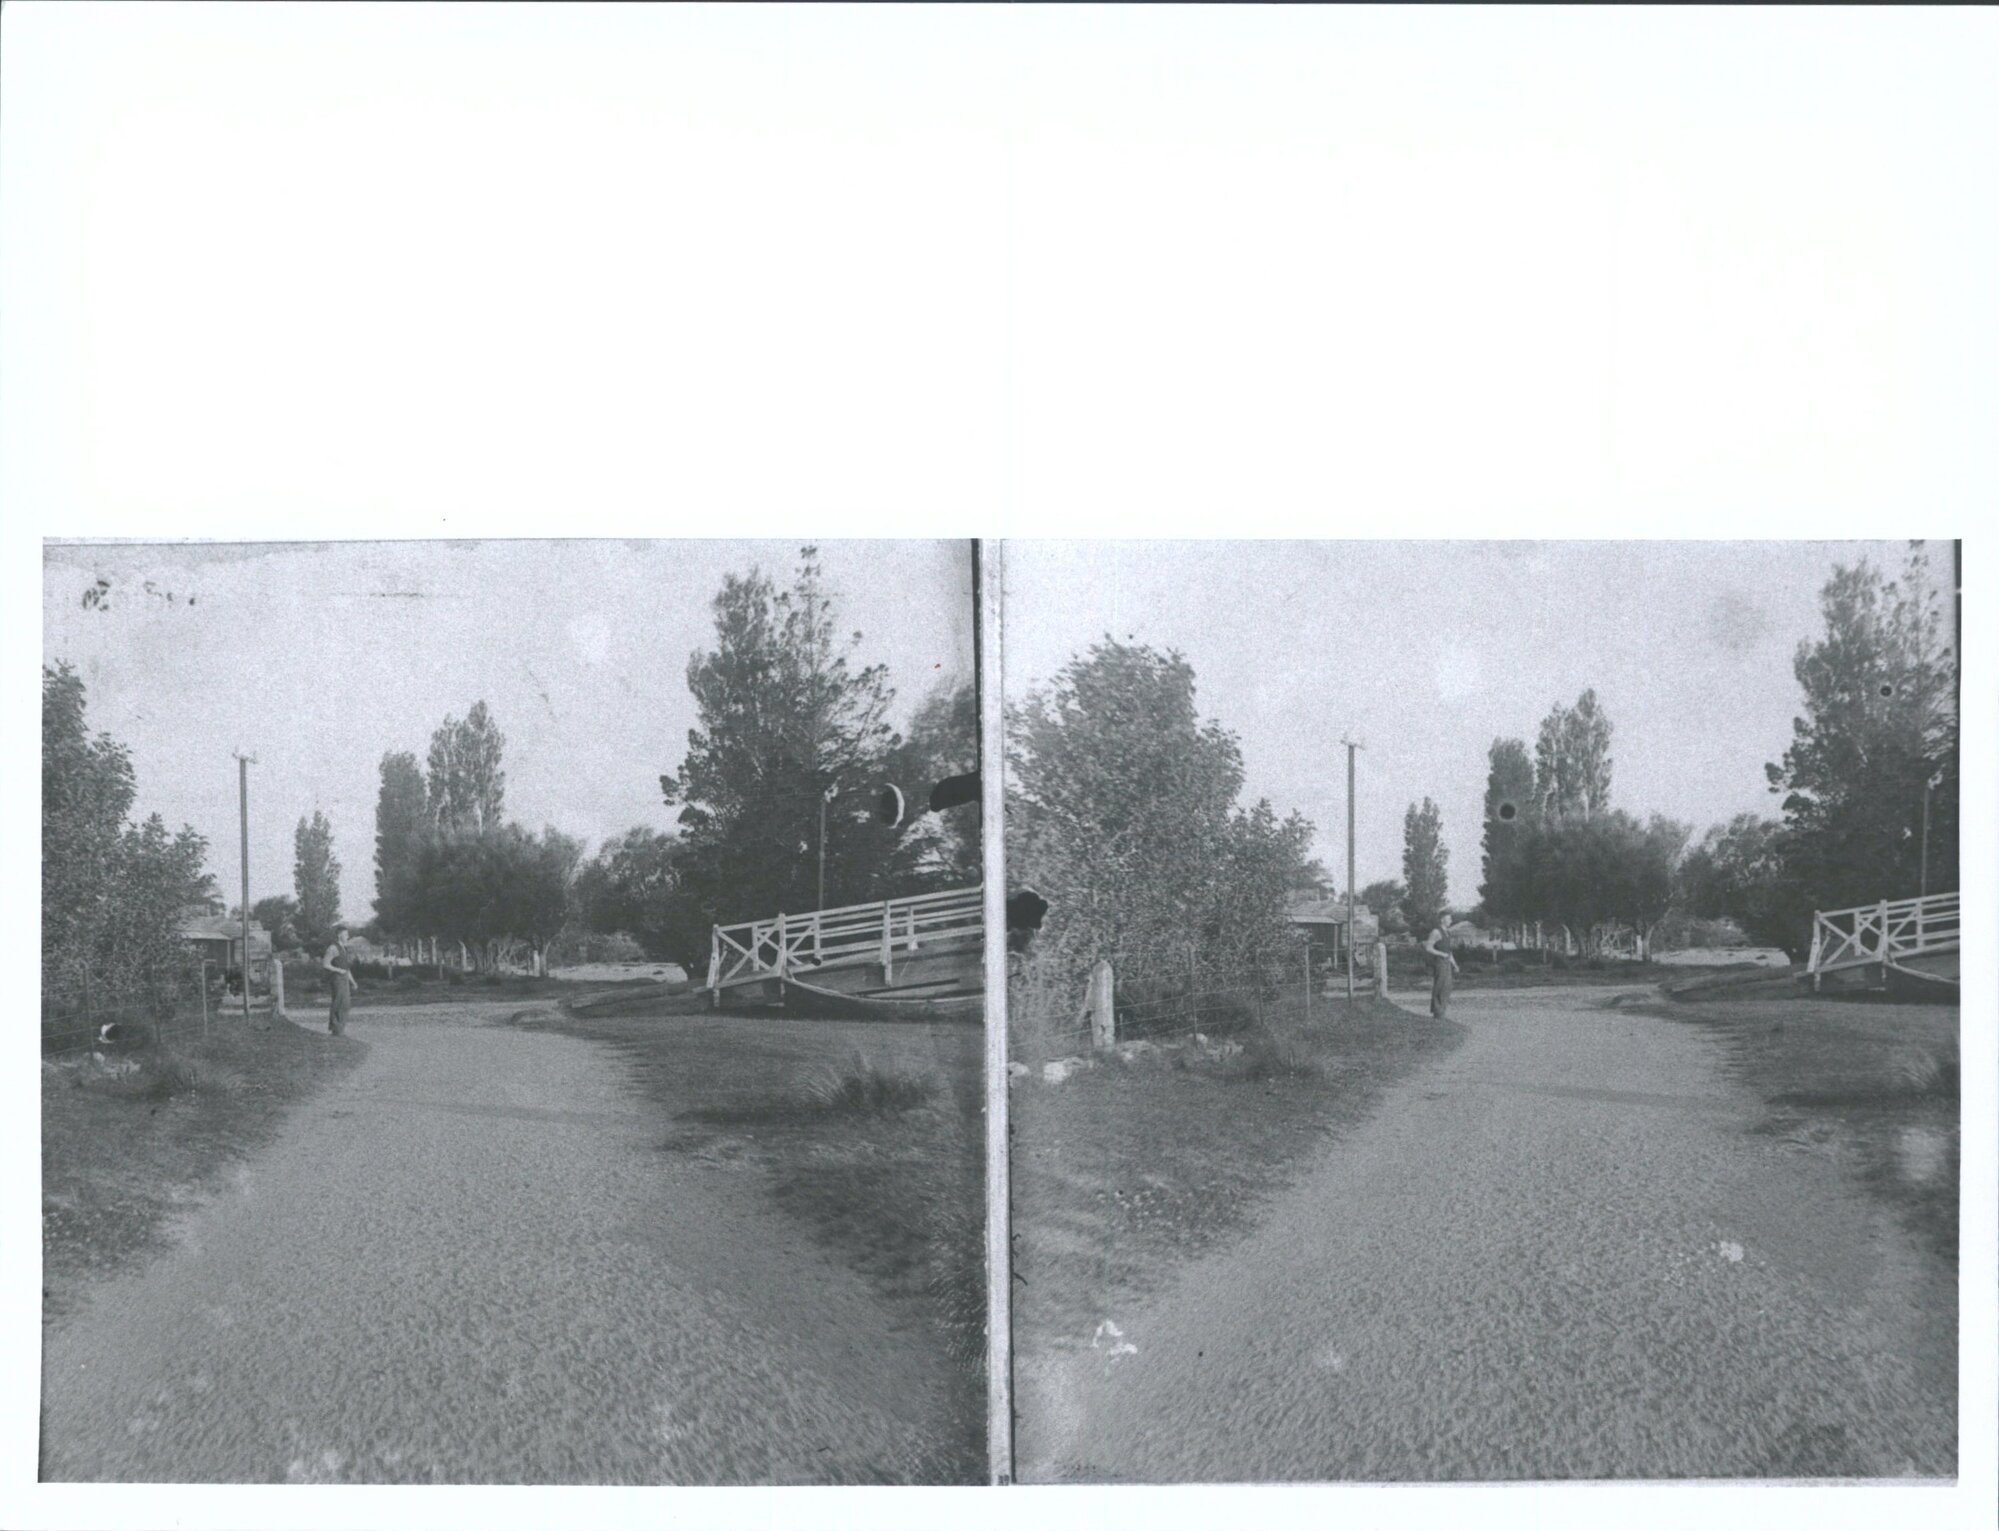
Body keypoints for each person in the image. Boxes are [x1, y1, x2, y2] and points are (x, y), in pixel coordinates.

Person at [323, 927, 359, 1035]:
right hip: (337, 978)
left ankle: (340, 1029)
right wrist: (339, 970)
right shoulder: (333, 948)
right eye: (346, 934)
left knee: (346, 1004)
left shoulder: (344, 948)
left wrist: (353, 982)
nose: (348, 936)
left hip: (344, 978)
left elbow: (346, 969)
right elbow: (325, 964)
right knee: (338, 1003)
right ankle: (336, 1029)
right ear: (339, 935)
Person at [1422, 919, 1459, 1020]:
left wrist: (1455, 965)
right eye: (1449, 919)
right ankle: (1438, 1013)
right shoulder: (1436, 932)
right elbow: (1428, 948)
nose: (1451, 921)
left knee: (1447, 986)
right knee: (1440, 986)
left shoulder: (1447, 932)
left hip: (1447, 961)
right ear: (1443, 920)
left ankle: (1442, 1011)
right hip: (1439, 962)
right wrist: (1441, 954)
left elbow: (1449, 951)